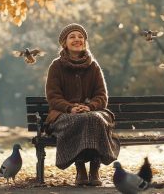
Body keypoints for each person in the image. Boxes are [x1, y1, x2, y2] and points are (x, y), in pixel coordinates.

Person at [45, 23, 120, 186]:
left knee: (94, 119)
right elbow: (53, 96)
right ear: (64, 43)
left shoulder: (93, 65)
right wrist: (70, 107)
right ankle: (80, 169)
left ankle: (94, 168)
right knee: (78, 120)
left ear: (85, 42)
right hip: (63, 113)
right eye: (72, 37)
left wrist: (90, 106)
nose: (77, 39)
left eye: (81, 37)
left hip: (92, 111)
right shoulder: (56, 66)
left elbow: (101, 95)